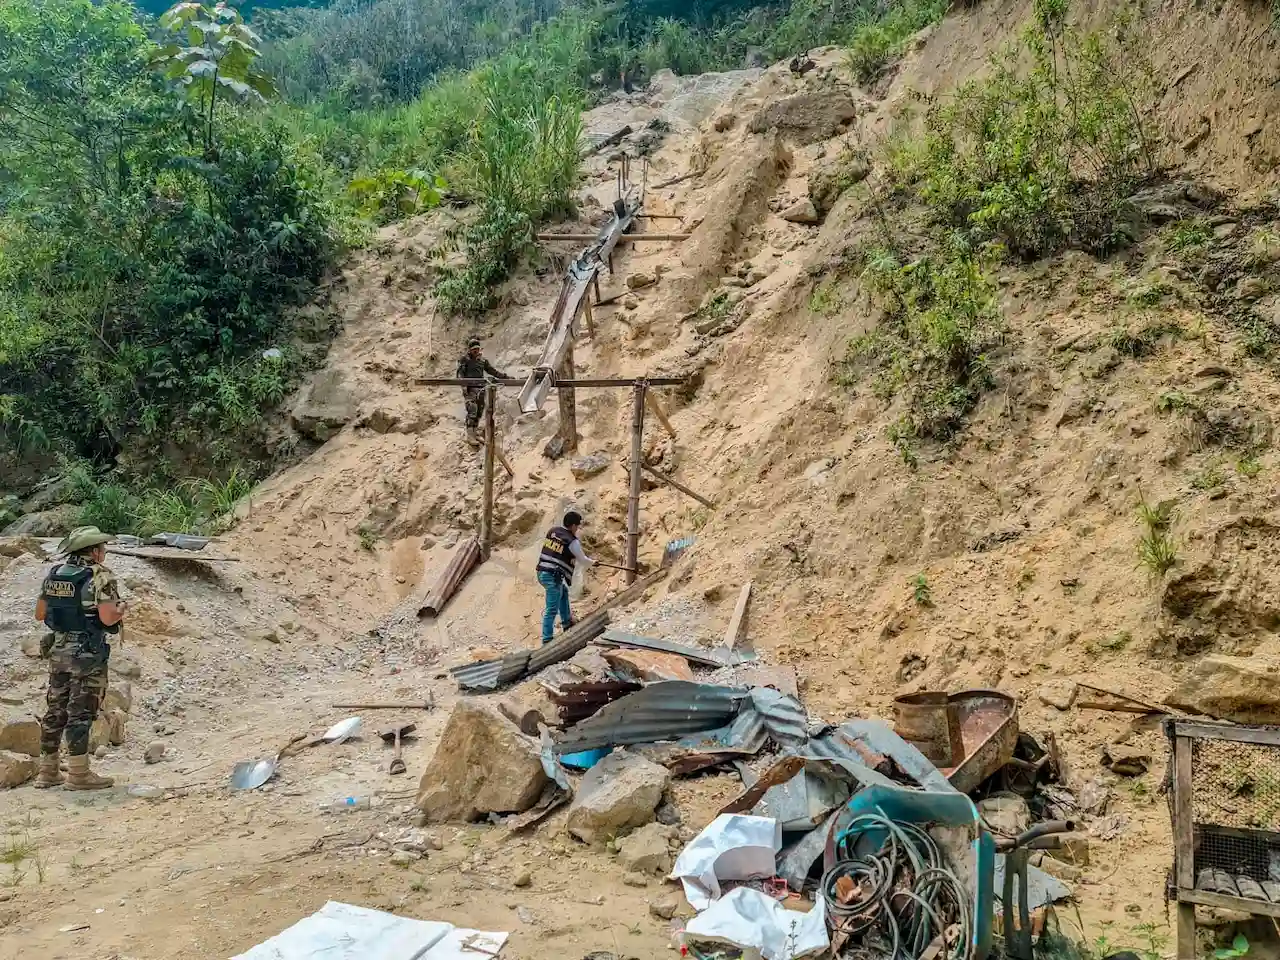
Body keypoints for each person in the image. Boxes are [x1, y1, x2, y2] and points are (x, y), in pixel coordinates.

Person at [32, 526, 127, 790]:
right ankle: (78, 774)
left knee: (55, 710)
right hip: (87, 654)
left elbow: (41, 614)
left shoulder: (55, 575)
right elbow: (108, 618)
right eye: (102, 548)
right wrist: (121, 608)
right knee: (81, 713)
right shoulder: (100, 577)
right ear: (95, 551)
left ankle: (47, 772)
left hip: (58, 651)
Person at [535, 511, 595, 645]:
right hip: (552, 576)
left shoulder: (553, 531)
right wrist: (593, 562)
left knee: (564, 592)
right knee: (551, 609)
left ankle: (567, 622)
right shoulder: (572, 541)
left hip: (541, 572)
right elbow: (583, 560)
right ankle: (547, 639)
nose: (578, 529)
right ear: (573, 525)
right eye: (577, 526)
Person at [456, 337, 509, 446]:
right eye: (473, 349)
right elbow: (460, 374)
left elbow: (492, 371)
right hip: (470, 389)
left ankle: (475, 433)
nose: (476, 351)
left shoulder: (482, 361)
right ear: (469, 350)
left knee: (479, 411)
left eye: (477, 349)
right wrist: (464, 387)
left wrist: (505, 377)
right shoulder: (464, 360)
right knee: (472, 410)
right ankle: (470, 435)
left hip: (481, 389)